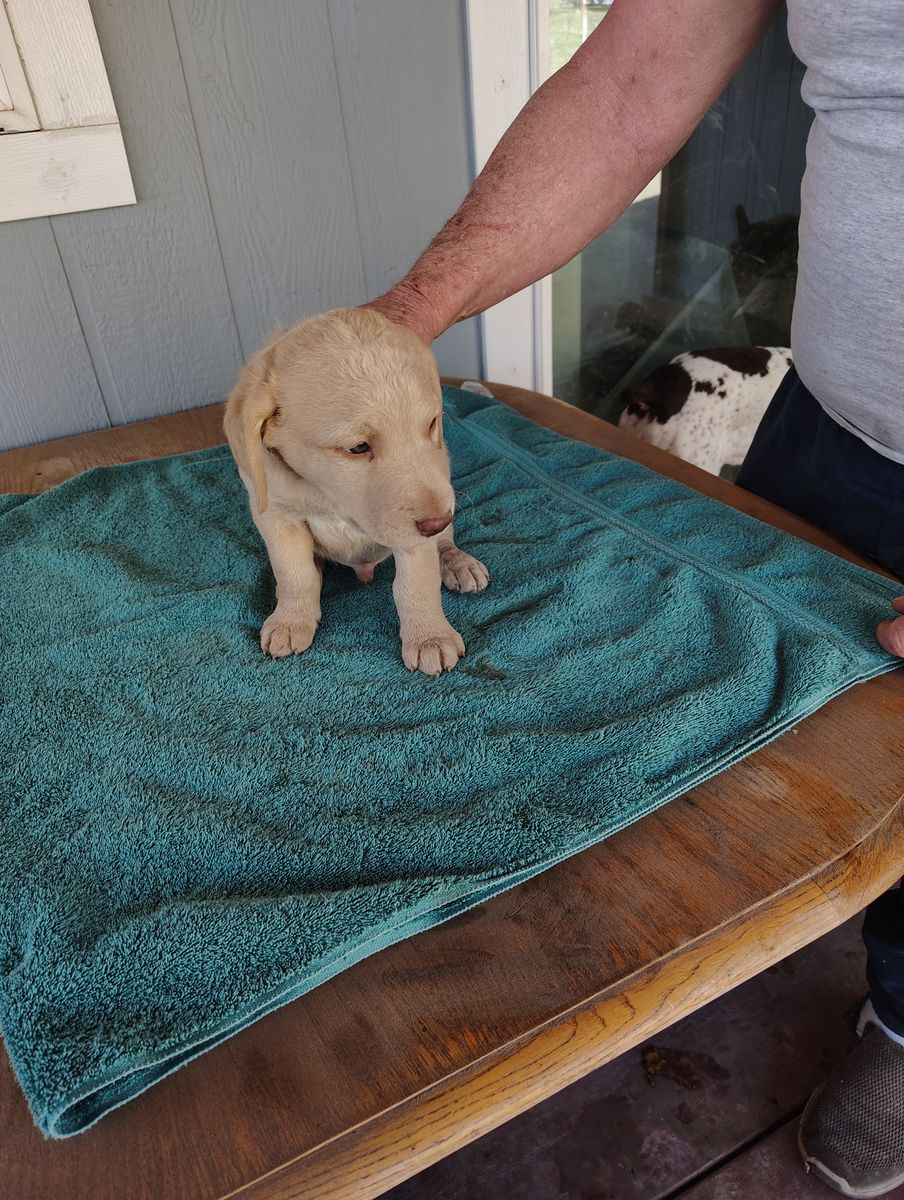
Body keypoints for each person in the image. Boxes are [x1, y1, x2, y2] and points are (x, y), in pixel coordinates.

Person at [365, 0, 904, 1194]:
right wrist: (397, 326)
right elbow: (628, 84)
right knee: (760, 720)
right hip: (827, 429)